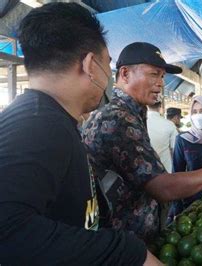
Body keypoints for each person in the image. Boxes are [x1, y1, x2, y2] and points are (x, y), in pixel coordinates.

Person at [0, 3, 160, 265]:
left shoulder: (52, 119)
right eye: (107, 63)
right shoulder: (37, 126)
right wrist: (126, 250)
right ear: (89, 64)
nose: (108, 75)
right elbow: (6, 230)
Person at [82, 42, 202, 242]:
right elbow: (162, 187)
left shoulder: (128, 113)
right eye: (154, 74)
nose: (161, 83)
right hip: (123, 244)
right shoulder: (118, 117)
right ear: (125, 74)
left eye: (162, 76)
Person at [170, 96, 202, 220]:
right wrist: (177, 209)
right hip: (190, 203)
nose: (198, 115)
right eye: (194, 112)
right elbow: (176, 175)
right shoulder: (183, 139)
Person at [147, 101, 178, 173]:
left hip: (145, 172)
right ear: (161, 107)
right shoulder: (169, 124)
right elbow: (175, 149)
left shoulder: (139, 123)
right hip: (166, 170)